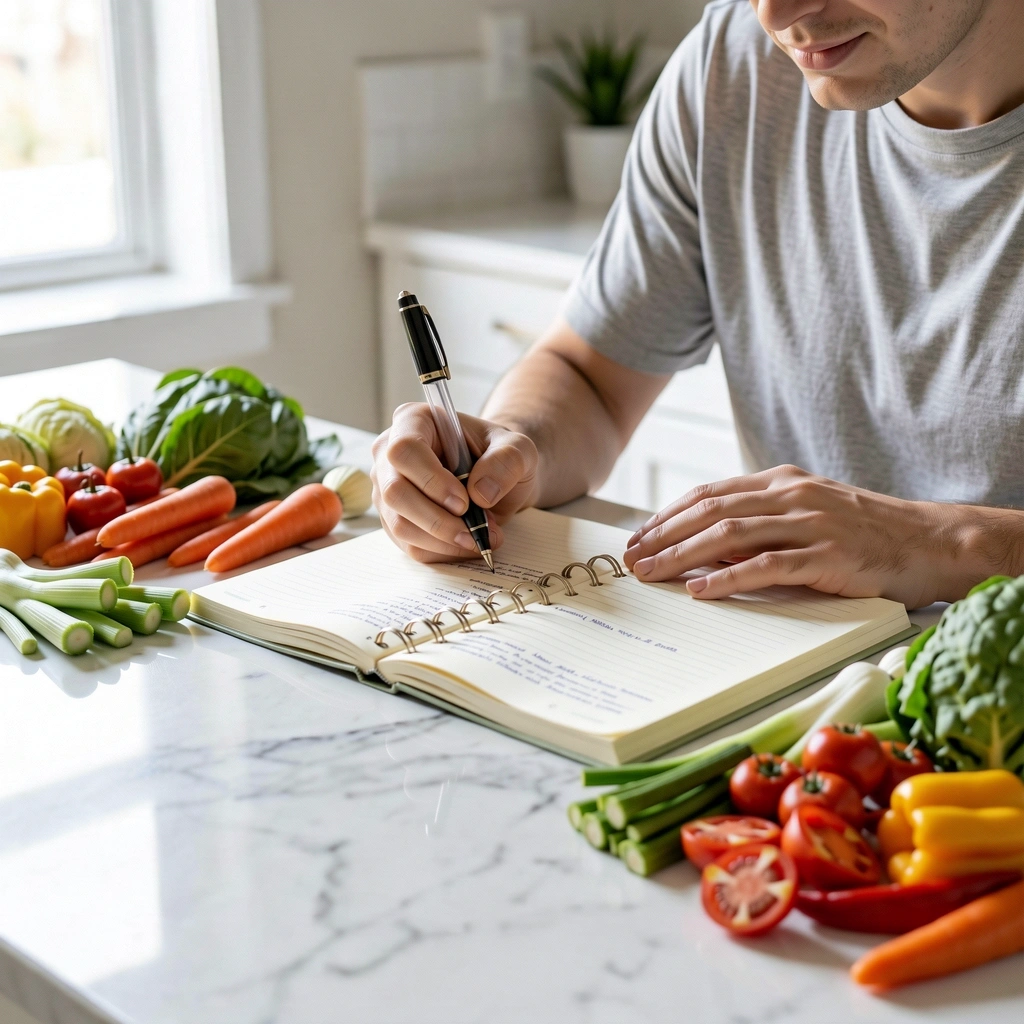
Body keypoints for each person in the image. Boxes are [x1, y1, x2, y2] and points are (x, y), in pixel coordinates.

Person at [371, 0, 1024, 610]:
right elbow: (590, 378)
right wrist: (513, 449)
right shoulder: (732, 66)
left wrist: (946, 544)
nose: (774, 14)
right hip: (804, 691)